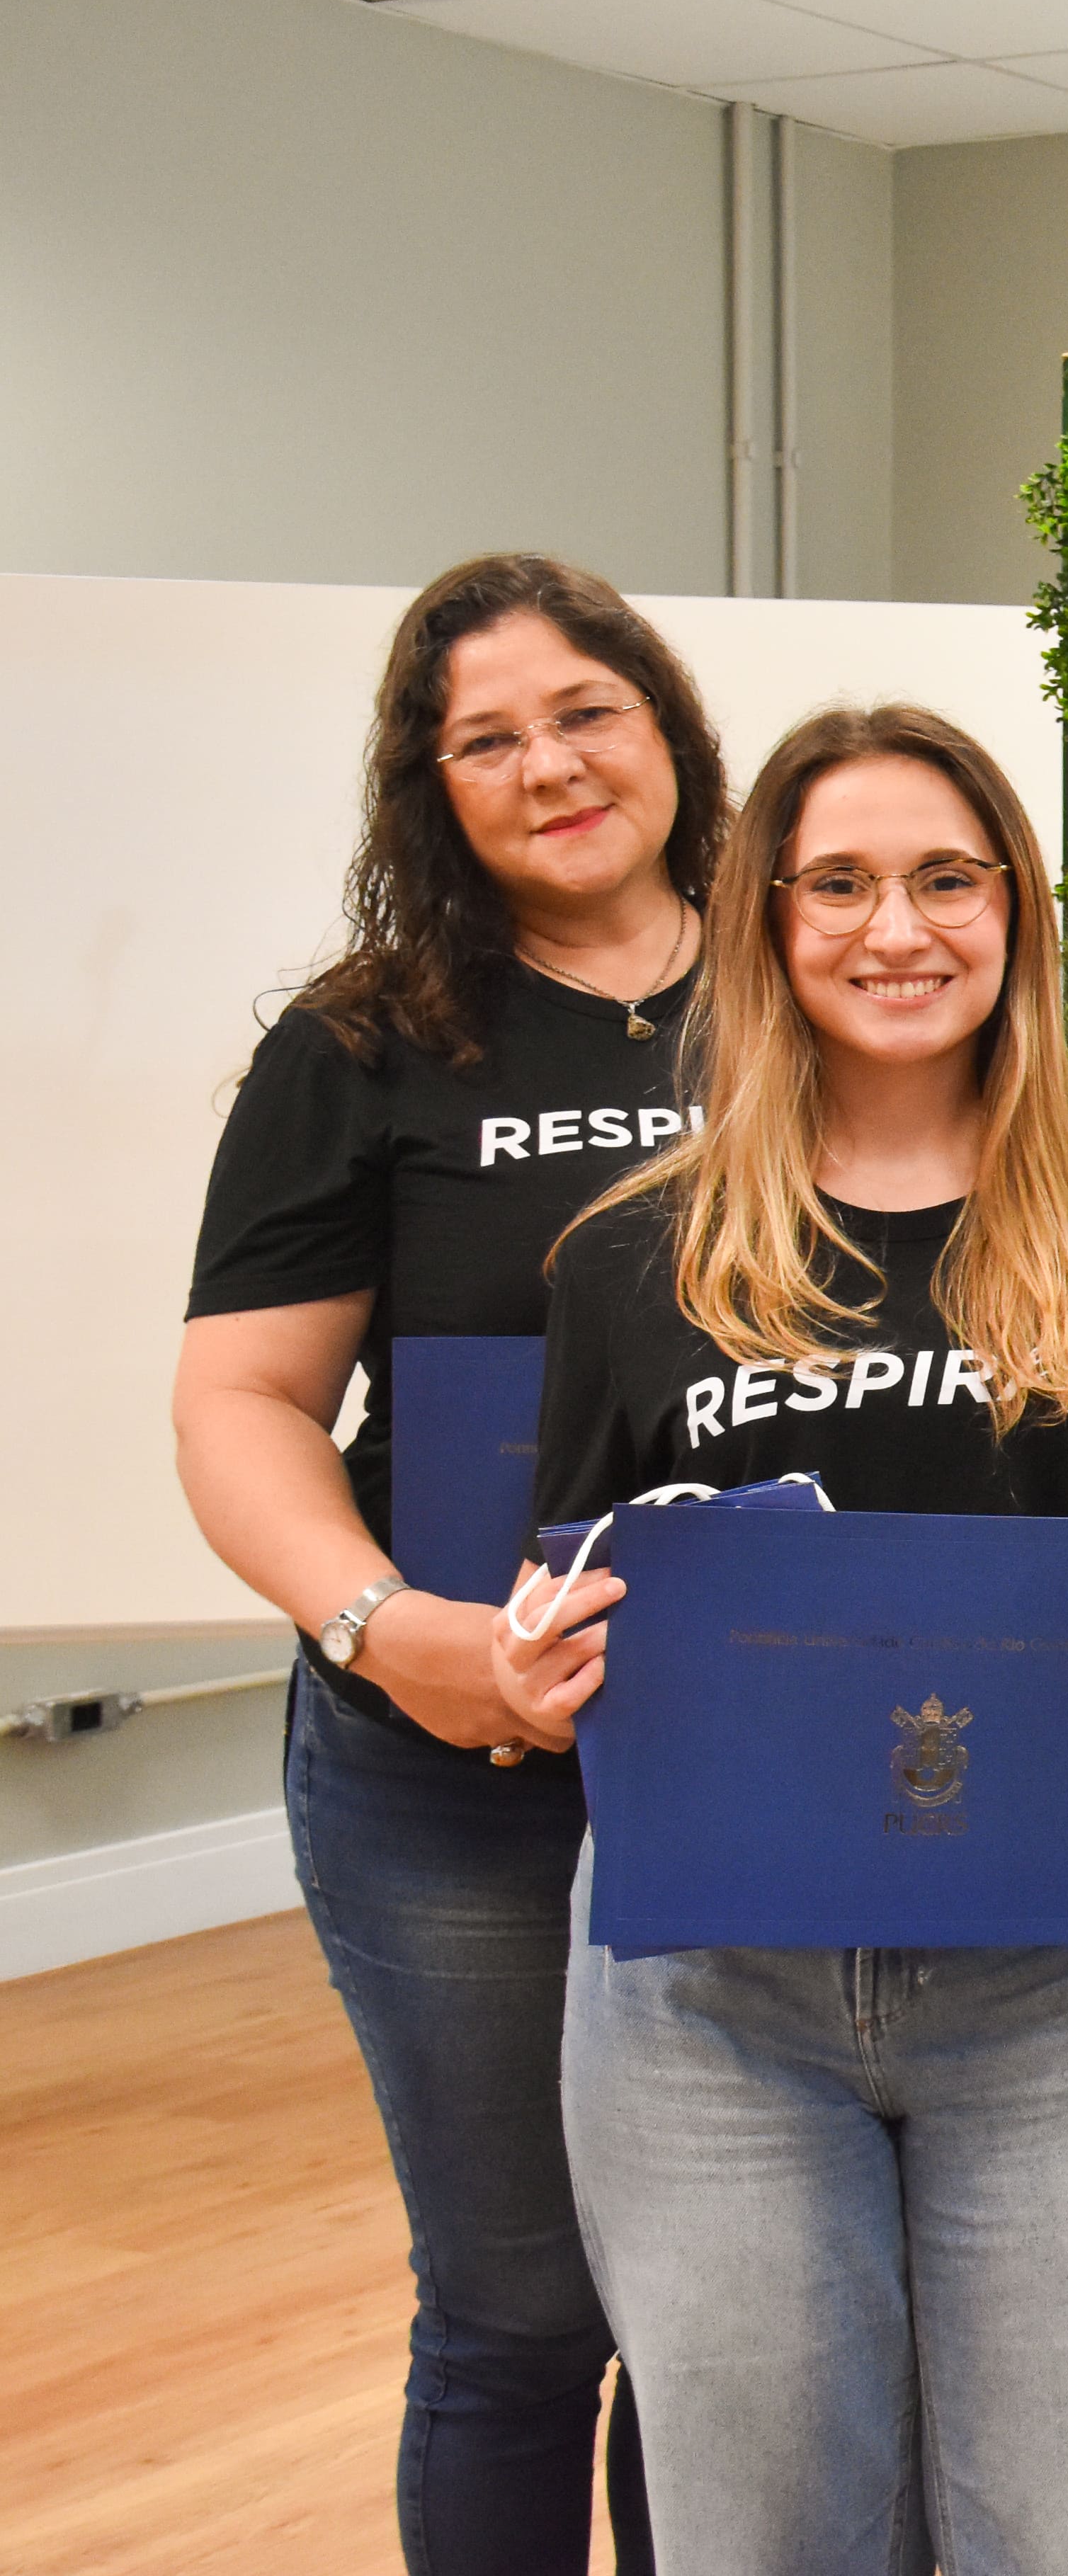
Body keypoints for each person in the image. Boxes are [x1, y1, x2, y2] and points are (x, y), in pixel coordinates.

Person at [488, 703, 1068, 2575]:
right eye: (840, 884)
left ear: (1016, 912)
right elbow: (572, 1586)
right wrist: (538, 1671)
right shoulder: (637, 1259)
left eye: (949, 879)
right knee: (763, 2539)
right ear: (769, 925)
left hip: (1057, 1996)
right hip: (712, 2008)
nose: (898, 929)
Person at [174, 554, 721, 2575]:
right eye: (483, 739)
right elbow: (243, 1408)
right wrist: (385, 1631)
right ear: (431, 789)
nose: (549, 765)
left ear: (663, 722)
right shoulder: (367, 1047)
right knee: (520, 2319)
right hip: (451, 1764)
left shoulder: (822, 978)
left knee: (721, 2320)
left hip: (761, 1744)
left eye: (584, 710)